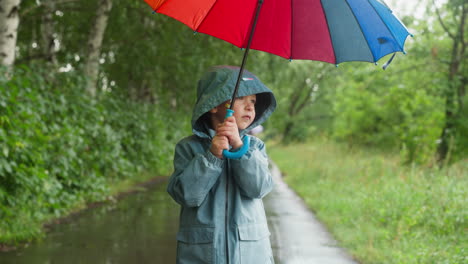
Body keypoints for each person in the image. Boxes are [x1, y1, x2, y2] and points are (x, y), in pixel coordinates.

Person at [167, 65, 277, 264]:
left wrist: (238, 146)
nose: (250, 106)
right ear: (214, 104)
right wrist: (212, 156)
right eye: (241, 98)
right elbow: (187, 195)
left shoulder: (255, 147)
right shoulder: (188, 148)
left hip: (250, 254)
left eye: (253, 101)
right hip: (202, 254)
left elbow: (258, 187)